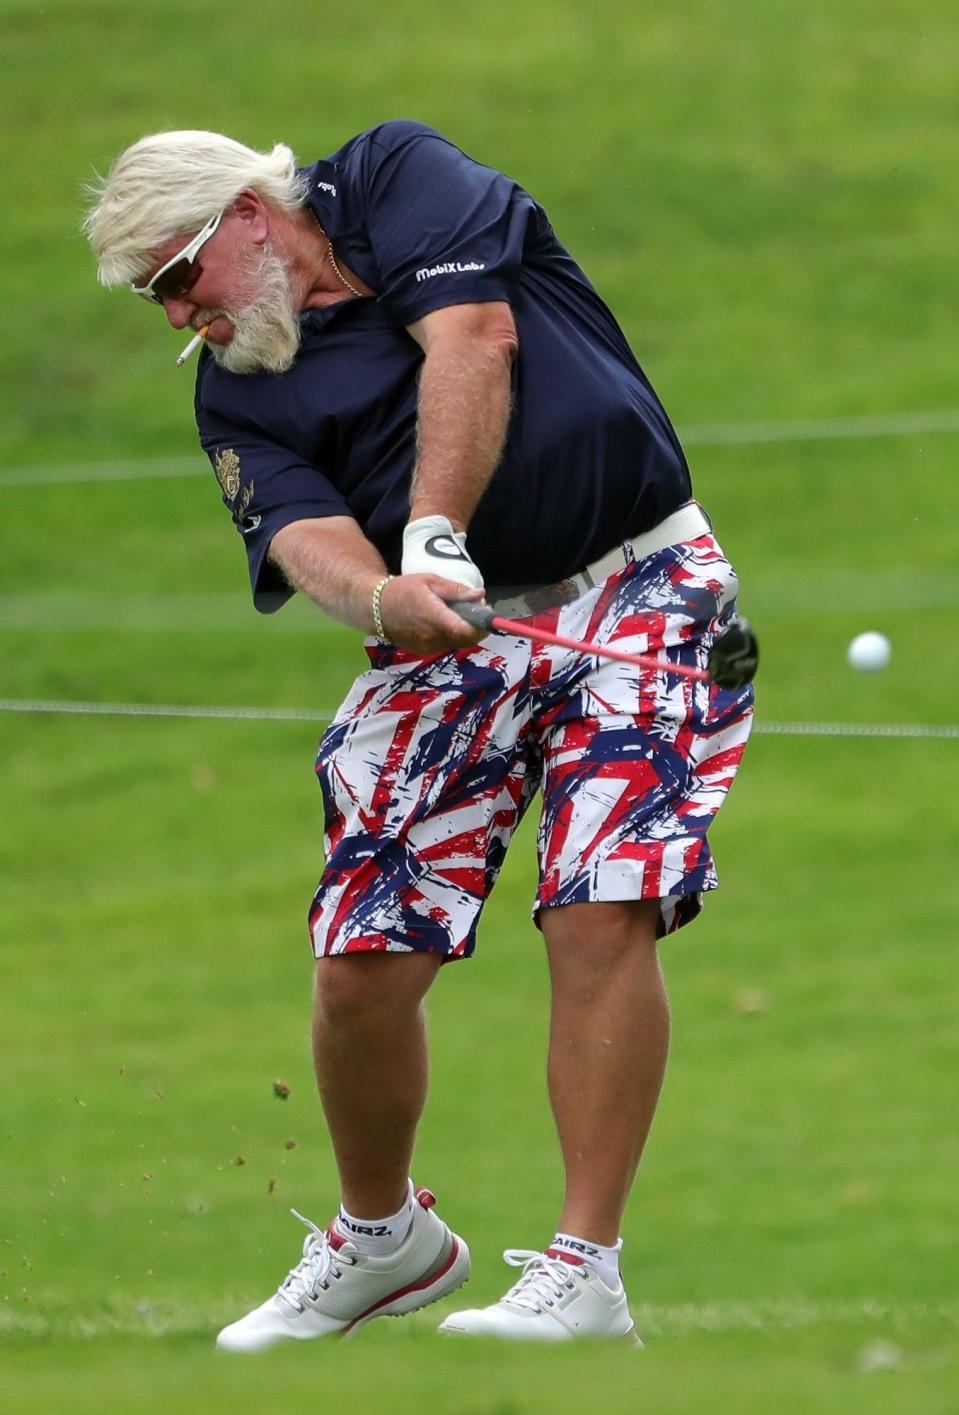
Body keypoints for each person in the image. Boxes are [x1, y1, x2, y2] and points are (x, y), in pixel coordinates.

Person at [84, 119, 753, 1350]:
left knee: (600, 898)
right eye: (154, 299)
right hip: (447, 633)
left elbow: (477, 334)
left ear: (247, 212)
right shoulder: (236, 386)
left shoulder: (393, 179)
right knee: (361, 950)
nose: (181, 314)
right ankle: (384, 1240)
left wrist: (432, 529)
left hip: (643, 588)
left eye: (180, 277)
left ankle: (584, 1269)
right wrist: (390, 595)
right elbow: (299, 536)